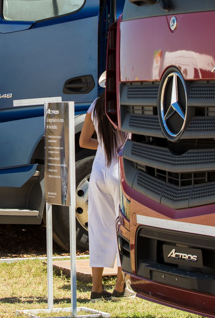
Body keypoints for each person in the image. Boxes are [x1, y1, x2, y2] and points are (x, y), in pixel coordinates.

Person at [79, 72, 135, 299]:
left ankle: (96, 287)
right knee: (124, 226)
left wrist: (102, 145)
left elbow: (84, 141)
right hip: (120, 169)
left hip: (98, 170)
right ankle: (121, 286)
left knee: (98, 227)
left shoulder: (95, 105)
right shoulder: (128, 104)